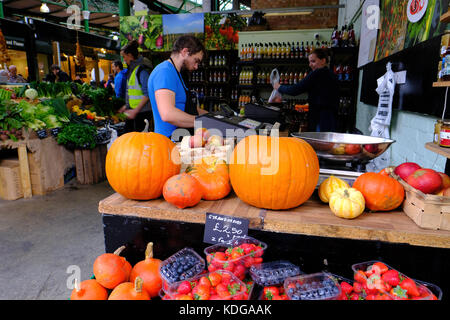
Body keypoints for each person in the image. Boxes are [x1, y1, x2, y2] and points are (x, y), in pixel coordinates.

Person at [147, 35, 208, 139]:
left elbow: (186, 107)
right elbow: (167, 114)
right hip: (169, 141)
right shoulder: (165, 72)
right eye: (196, 60)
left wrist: (214, 117)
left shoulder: (177, 73)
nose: (196, 66)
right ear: (184, 52)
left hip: (180, 137)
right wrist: (201, 121)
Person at [273, 48, 339, 132]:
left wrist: (279, 87)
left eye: (313, 61)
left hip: (321, 117)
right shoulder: (331, 74)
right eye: (309, 62)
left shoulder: (317, 73)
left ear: (323, 60)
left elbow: (295, 90)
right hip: (331, 115)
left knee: (318, 141)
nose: (310, 65)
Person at [119, 40, 153, 132]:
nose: (124, 60)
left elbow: (147, 93)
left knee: (138, 141)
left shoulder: (142, 69)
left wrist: (135, 110)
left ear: (130, 55)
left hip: (143, 112)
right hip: (135, 111)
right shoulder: (132, 69)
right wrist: (126, 106)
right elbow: (131, 90)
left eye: (124, 57)